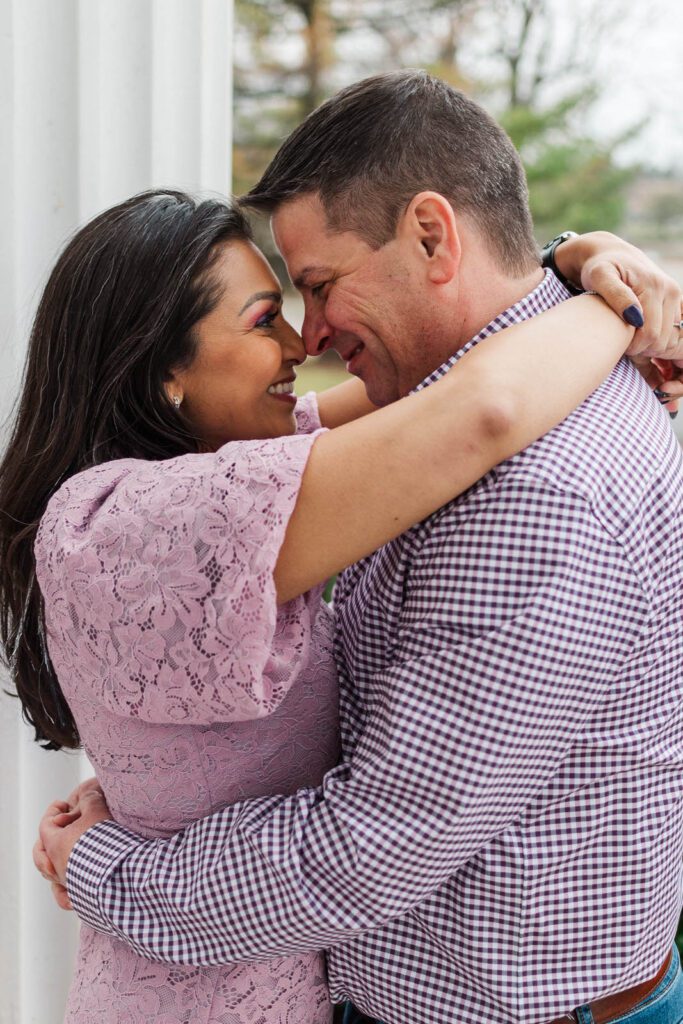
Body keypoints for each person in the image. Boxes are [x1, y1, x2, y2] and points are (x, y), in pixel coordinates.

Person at [32, 71, 683, 1024]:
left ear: (432, 235)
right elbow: (475, 409)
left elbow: (369, 845)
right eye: (276, 313)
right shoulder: (379, 440)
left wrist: (114, 865)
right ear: (161, 367)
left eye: (319, 286)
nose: (312, 335)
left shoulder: (534, 488)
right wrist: (595, 286)